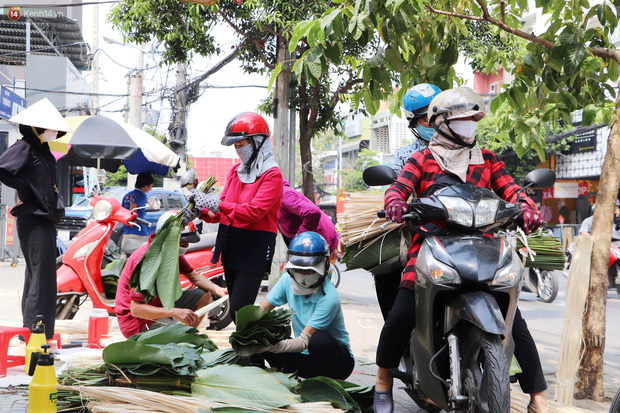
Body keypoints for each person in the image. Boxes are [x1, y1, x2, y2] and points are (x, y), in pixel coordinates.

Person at [374, 87, 548, 413]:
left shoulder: (488, 160)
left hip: (482, 246)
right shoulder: (421, 159)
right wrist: (396, 203)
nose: (470, 125)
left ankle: (538, 397)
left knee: (515, 321)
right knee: (400, 315)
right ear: (441, 123)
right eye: (462, 120)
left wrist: (527, 207)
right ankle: (383, 379)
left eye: (472, 119)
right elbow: (398, 188)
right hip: (431, 245)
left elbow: (512, 190)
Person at [192, 112, 283, 322]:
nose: (239, 150)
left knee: (241, 311)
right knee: (236, 312)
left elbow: (253, 212)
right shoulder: (236, 171)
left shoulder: (272, 175)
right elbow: (223, 211)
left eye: (242, 145)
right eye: (236, 147)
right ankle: (251, 353)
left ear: (258, 142)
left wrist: (217, 204)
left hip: (254, 249)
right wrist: (202, 212)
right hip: (232, 246)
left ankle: (258, 352)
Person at [0, 98, 72, 340]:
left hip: (44, 220)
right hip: (32, 219)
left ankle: (35, 331)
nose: (54, 131)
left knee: (41, 276)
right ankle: (35, 332)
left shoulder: (42, 151)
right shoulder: (25, 147)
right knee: (41, 276)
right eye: (50, 127)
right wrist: (27, 190)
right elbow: (4, 169)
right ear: (37, 127)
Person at [377, 84, 443, 321]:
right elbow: (396, 187)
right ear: (414, 123)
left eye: (442, 115)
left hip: (465, 229)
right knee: (385, 266)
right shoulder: (411, 156)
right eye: (428, 118)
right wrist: (395, 202)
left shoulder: (472, 150)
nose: (437, 123)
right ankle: (395, 342)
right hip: (421, 229)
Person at [252, 232, 355, 379]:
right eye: (299, 269)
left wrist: (271, 347)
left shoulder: (329, 298)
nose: (303, 275)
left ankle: (328, 385)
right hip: (305, 359)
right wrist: (249, 334)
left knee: (318, 340)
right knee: (262, 330)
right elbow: (261, 310)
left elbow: (303, 342)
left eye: (309, 270)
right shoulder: (287, 280)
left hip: (335, 362)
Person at [115, 211, 228, 338]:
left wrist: (220, 290)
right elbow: (136, 310)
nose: (185, 247)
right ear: (166, 238)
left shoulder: (171, 251)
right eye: (182, 243)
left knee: (203, 296)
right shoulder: (146, 261)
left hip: (161, 306)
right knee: (178, 339)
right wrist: (174, 312)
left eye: (187, 244)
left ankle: (186, 336)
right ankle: (179, 338)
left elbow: (194, 276)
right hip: (138, 323)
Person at [279, 179, 339, 254]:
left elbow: (312, 212)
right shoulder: (274, 196)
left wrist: (300, 238)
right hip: (313, 243)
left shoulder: (283, 194)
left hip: (319, 242)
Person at [121, 172, 155, 255]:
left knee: (124, 256)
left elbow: (122, 210)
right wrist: (132, 221)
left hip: (126, 231)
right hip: (138, 231)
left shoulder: (127, 195)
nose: (150, 188)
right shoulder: (141, 195)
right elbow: (133, 206)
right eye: (151, 186)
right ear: (146, 185)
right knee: (139, 256)